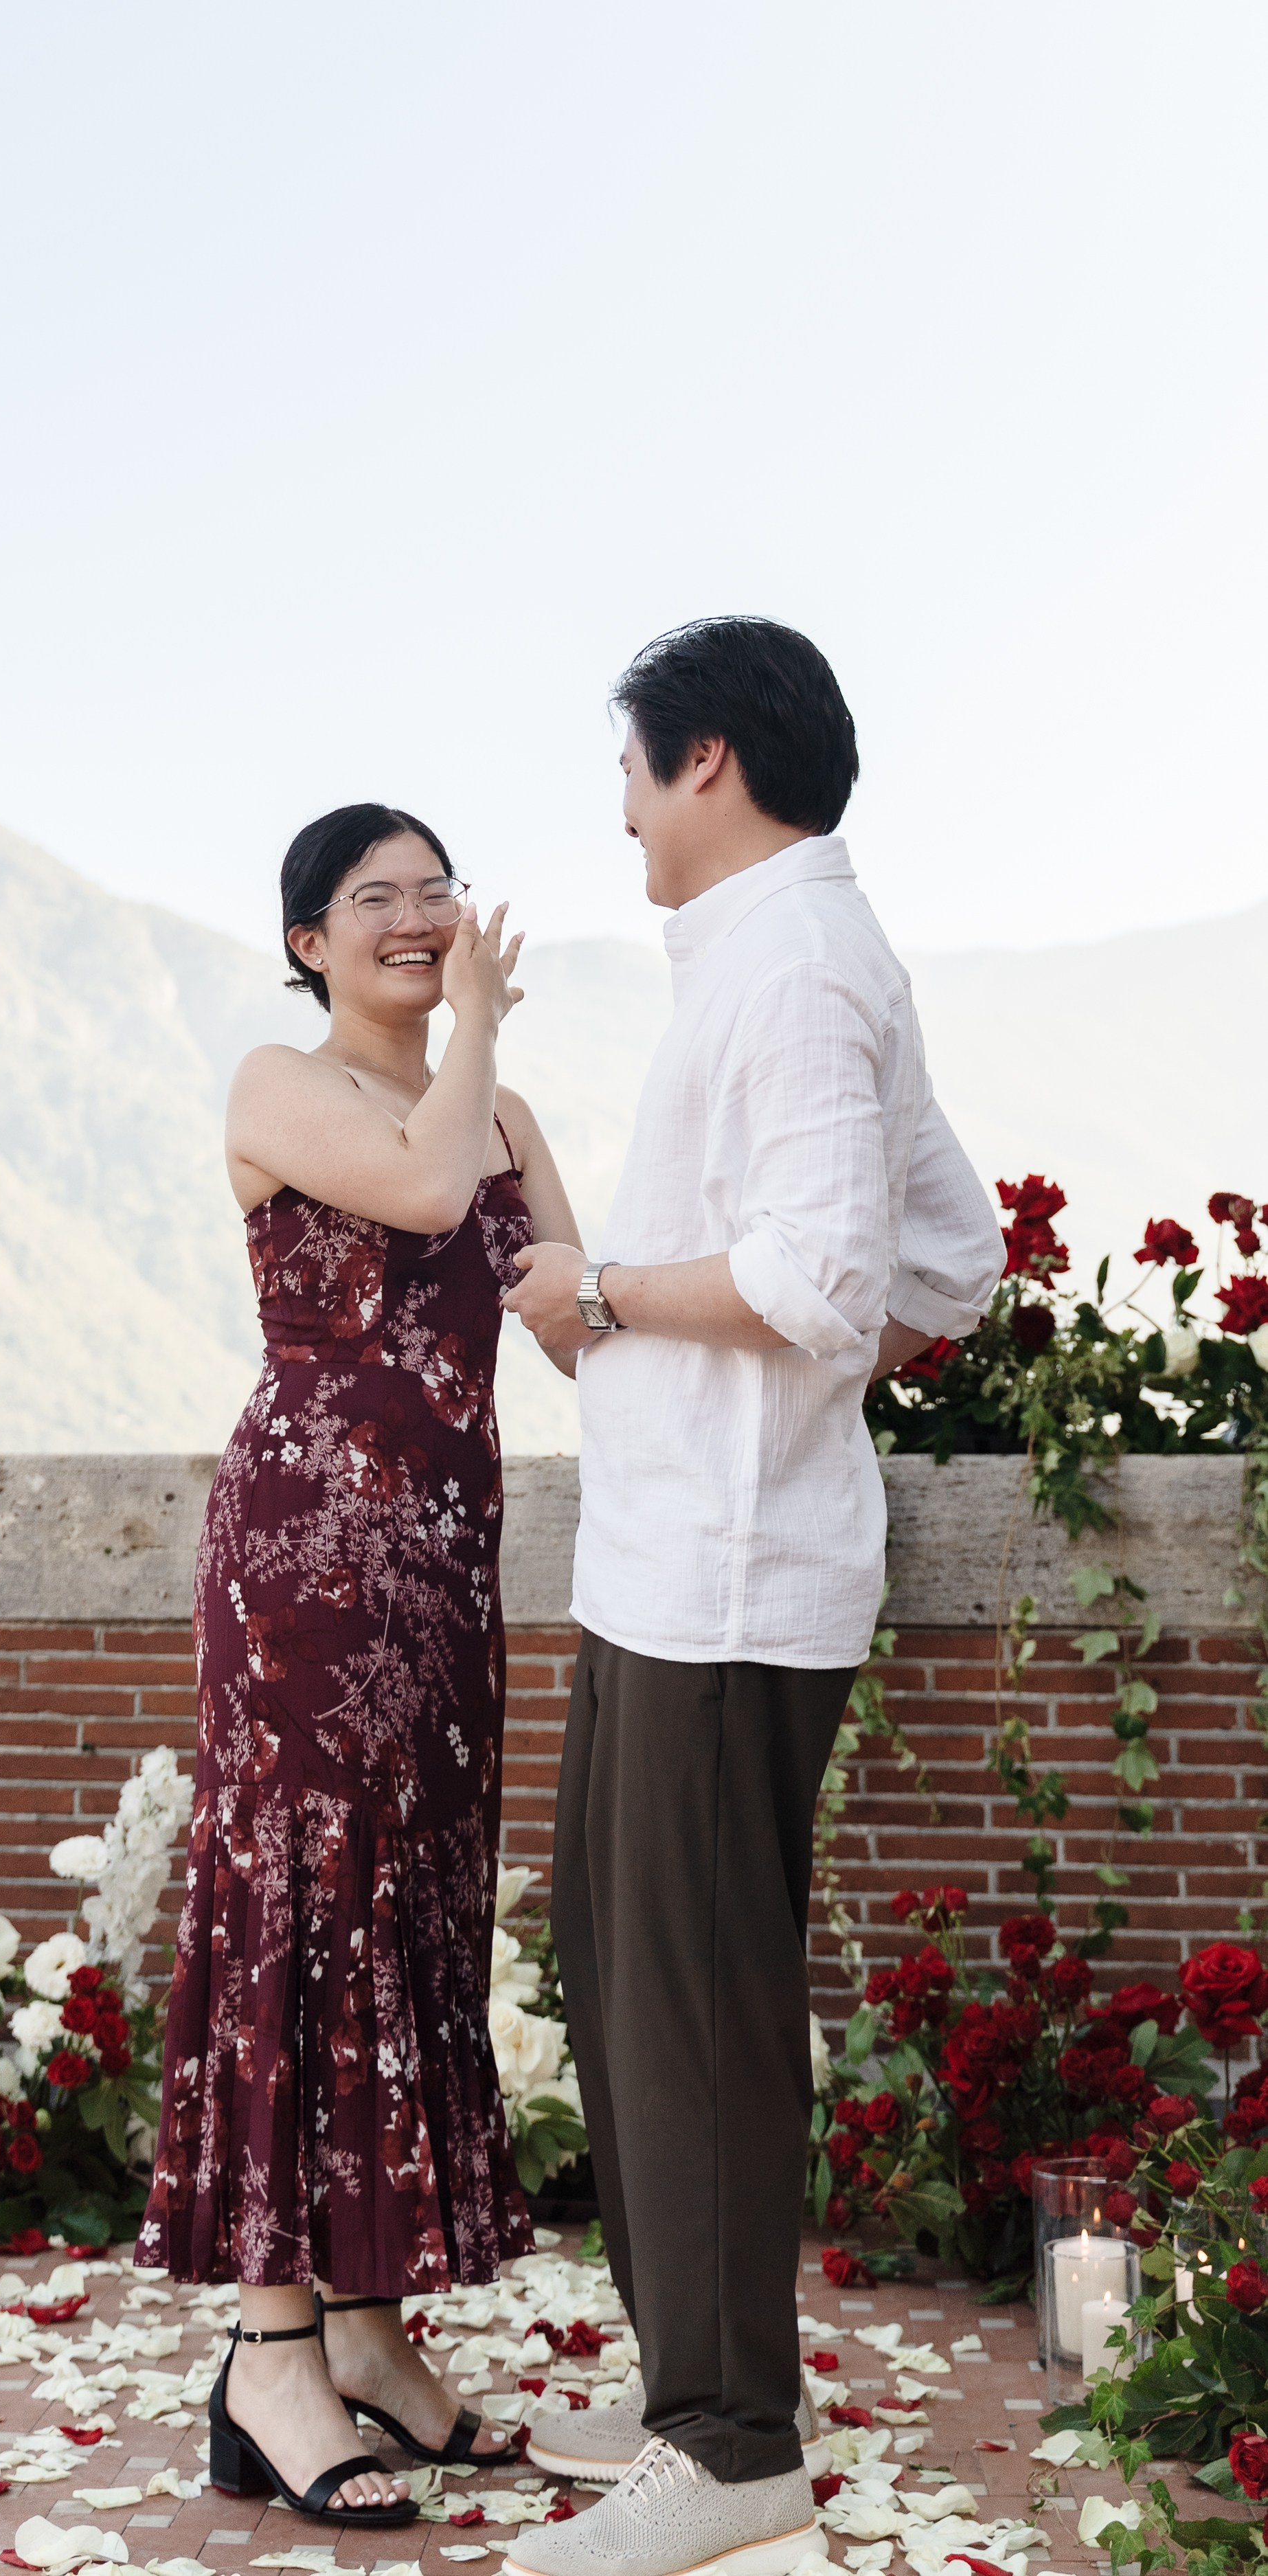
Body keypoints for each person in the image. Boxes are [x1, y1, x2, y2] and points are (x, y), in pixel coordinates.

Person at [499, 619, 1005, 2576]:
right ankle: (679, 2391)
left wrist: (615, 1297)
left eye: (627, 769)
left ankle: (731, 2445)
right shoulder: (793, 948)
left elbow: (818, 1276)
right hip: (671, 1554)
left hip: (725, 1575)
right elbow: (943, 1257)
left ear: (704, 759)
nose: (616, 810)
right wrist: (692, 1337)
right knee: (621, 1971)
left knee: (692, 2011)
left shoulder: (793, 962)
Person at [137, 802, 585, 2527]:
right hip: (303, 1559)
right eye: (371, 900)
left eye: (433, 891)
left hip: (448, 1564)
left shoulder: (507, 1109)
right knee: (301, 1913)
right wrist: (473, 1021)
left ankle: (372, 2336)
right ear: (310, 941)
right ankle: (268, 2351)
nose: (414, 917)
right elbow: (413, 1187)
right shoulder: (280, 1083)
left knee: (411, 1910)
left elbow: (566, 1304)